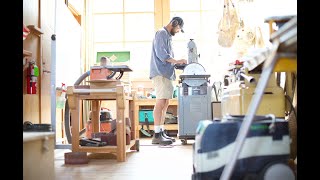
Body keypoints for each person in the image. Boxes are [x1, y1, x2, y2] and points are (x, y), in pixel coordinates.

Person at [149, 17, 187, 145]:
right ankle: (157, 134)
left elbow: (167, 57)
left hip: (166, 73)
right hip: (160, 73)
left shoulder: (167, 36)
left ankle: (161, 130)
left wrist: (177, 63)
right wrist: (177, 61)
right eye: (177, 29)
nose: (177, 31)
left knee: (165, 103)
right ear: (174, 24)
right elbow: (162, 54)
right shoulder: (161, 33)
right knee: (161, 102)